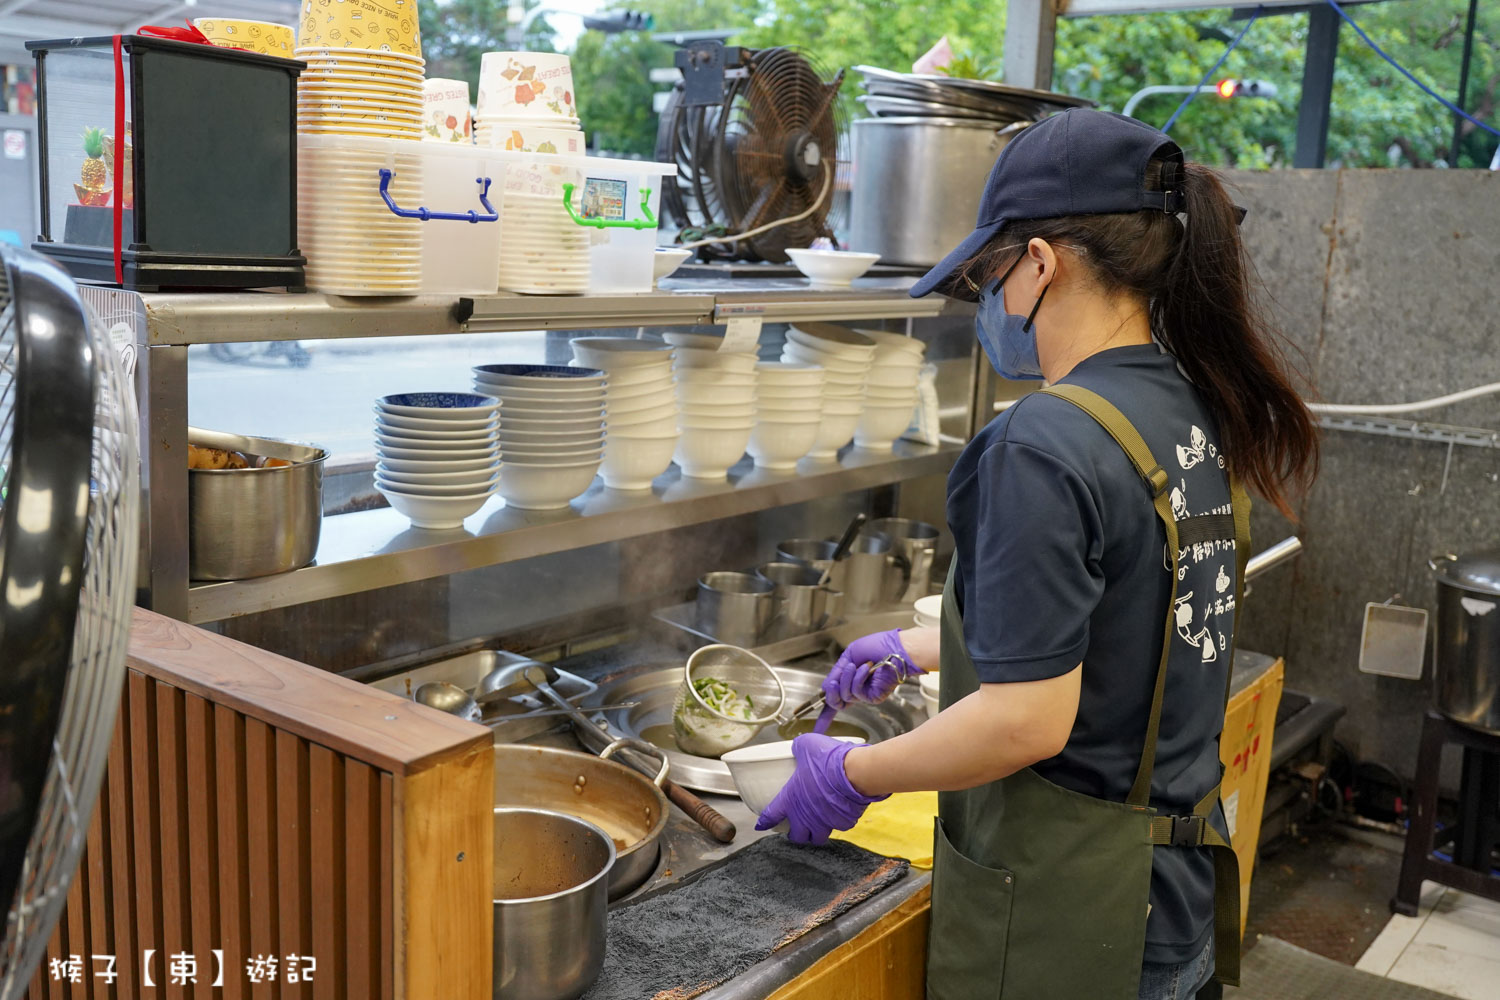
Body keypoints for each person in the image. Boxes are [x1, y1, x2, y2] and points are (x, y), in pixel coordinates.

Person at [756, 109, 1318, 1000]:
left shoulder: (1042, 442)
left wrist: (852, 774)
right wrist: (928, 647)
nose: (991, 301)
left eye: (990, 274)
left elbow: (1026, 722)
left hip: (1075, 921)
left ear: (1043, 262)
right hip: (1171, 901)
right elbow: (1132, 607)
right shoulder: (1187, 409)